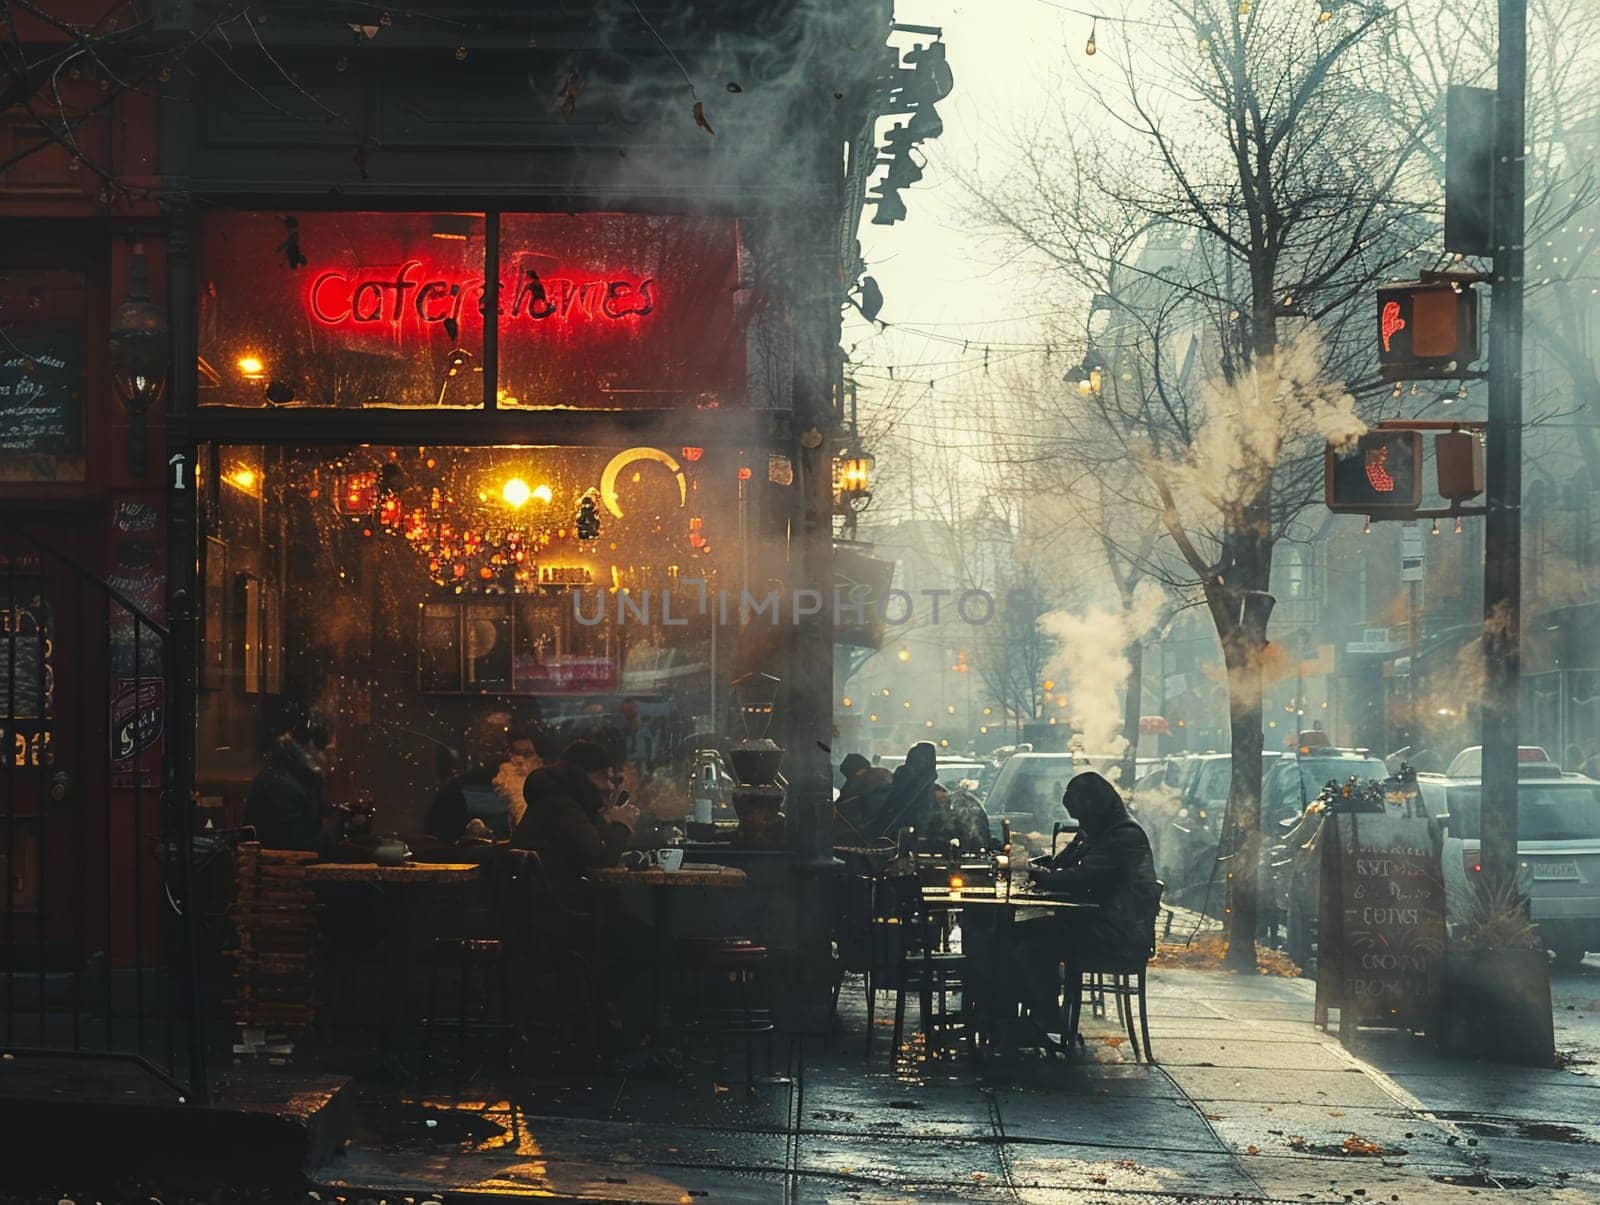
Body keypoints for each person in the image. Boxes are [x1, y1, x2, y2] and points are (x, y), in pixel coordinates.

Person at [1011, 772, 1161, 1036]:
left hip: (1117, 934)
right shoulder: (1100, 831)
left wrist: (1038, 876)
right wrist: (1042, 866)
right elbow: (1063, 865)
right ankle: (1028, 1016)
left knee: (1031, 946)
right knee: (1019, 933)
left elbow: (1082, 878)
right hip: (1101, 922)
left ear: (1093, 807)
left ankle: (1046, 1020)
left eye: (1081, 815)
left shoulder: (1123, 835)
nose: (1080, 822)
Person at [509, 739, 640, 893]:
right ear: (583, 776)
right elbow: (601, 858)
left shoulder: (562, 802)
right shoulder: (561, 807)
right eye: (605, 777)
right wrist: (622, 824)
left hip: (551, 901)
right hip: (560, 907)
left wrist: (608, 819)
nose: (610, 787)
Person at [246, 704, 336, 855]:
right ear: (312, 744)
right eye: (330, 751)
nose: (333, 758)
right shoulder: (281, 785)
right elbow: (299, 846)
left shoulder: (294, 773)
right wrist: (339, 832)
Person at [425, 708, 514, 841]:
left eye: (504, 744)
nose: (500, 750)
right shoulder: (457, 790)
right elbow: (439, 840)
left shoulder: (528, 789)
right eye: (489, 742)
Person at [618, 697, 658, 767]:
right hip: (628, 769)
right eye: (624, 711)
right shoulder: (621, 734)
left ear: (637, 709)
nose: (628, 713)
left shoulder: (648, 731)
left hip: (645, 767)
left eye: (630, 710)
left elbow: (652, 754)